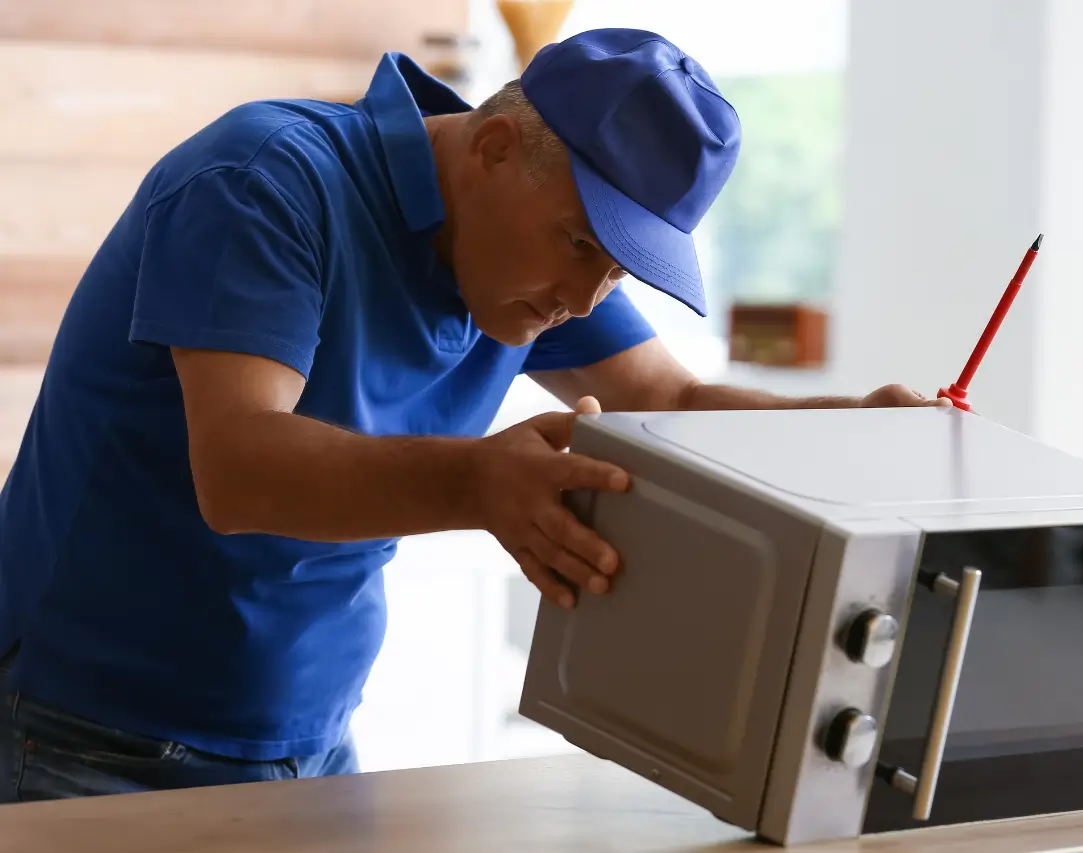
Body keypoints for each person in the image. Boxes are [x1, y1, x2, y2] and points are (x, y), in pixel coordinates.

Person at [0, 28, 947, 802]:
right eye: (582, 243)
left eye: (619, 269)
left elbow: (669, 399)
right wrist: (478, 480)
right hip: (78, 739)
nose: (585, 297)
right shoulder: (265, 182)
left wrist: (853, 422)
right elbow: (240, 468)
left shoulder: (521, 257)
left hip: (309, 741)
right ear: (494, 147)